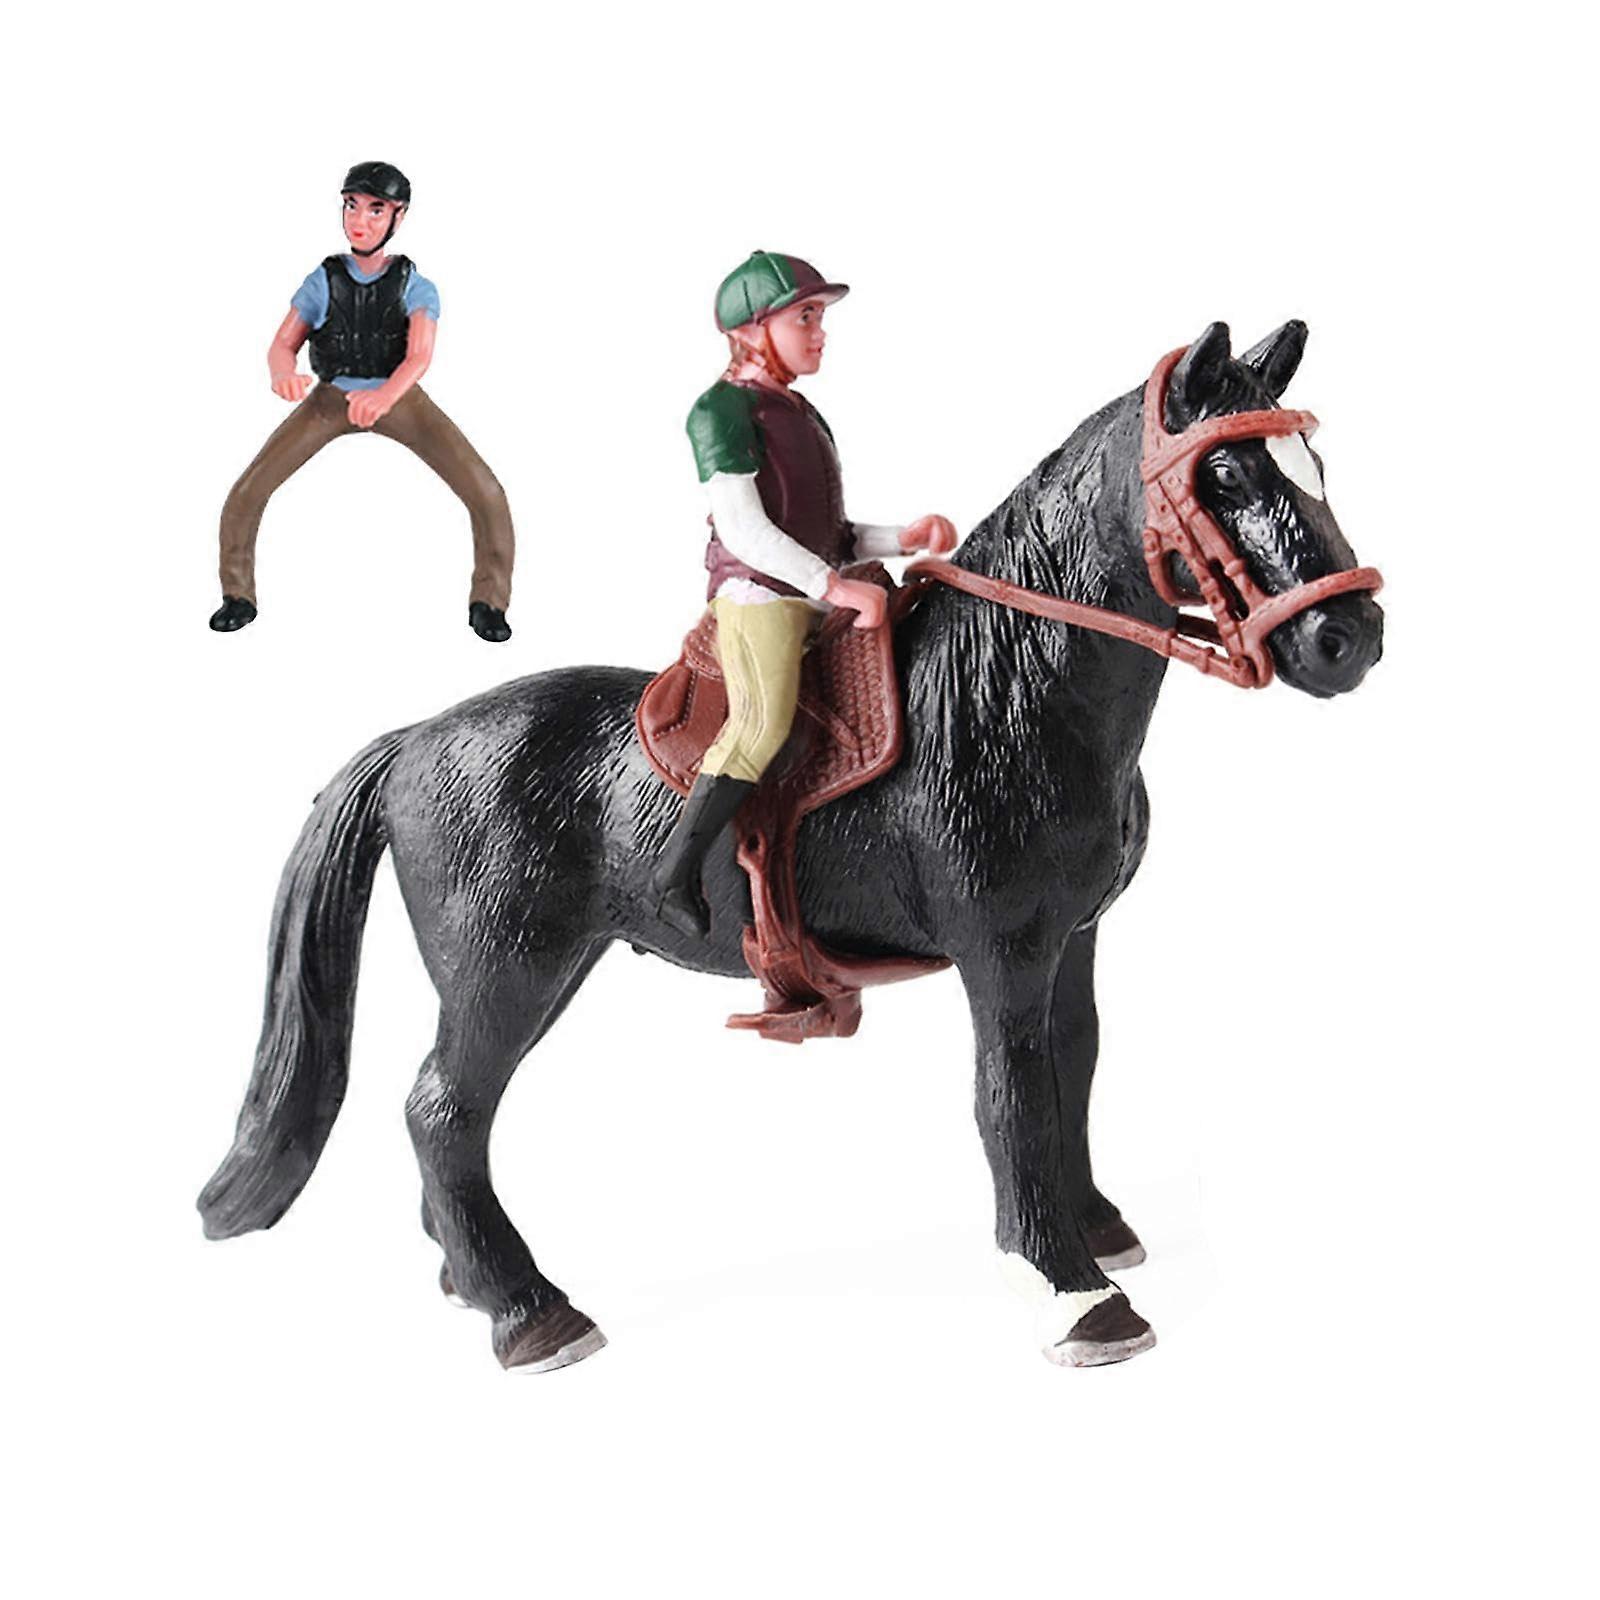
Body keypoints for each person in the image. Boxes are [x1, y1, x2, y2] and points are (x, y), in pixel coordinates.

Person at [653, 250, 958, 935]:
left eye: (819, 317)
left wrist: (902, 537)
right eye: (806, 317)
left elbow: (828, 530)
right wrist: (836, 587)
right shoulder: (721, 411)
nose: (821, 333)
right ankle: (673, 873)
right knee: (762, 724)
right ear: (751, 329)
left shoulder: (799, 412)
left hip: (809, 590)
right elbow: (745, 529)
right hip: (759, 597)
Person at [210, 161, 517, 641]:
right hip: (331, 398)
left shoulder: (414, 286)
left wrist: (384, 396)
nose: (360, 220)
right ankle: (237, 596)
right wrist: (283, 373)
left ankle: (489, 602)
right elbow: (283, 343)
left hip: (398, 398)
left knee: (485, 492)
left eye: (376, 210)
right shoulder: (324, 280)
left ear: (398, 216)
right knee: (249, 490)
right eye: (352, 206)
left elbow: (419, 356)